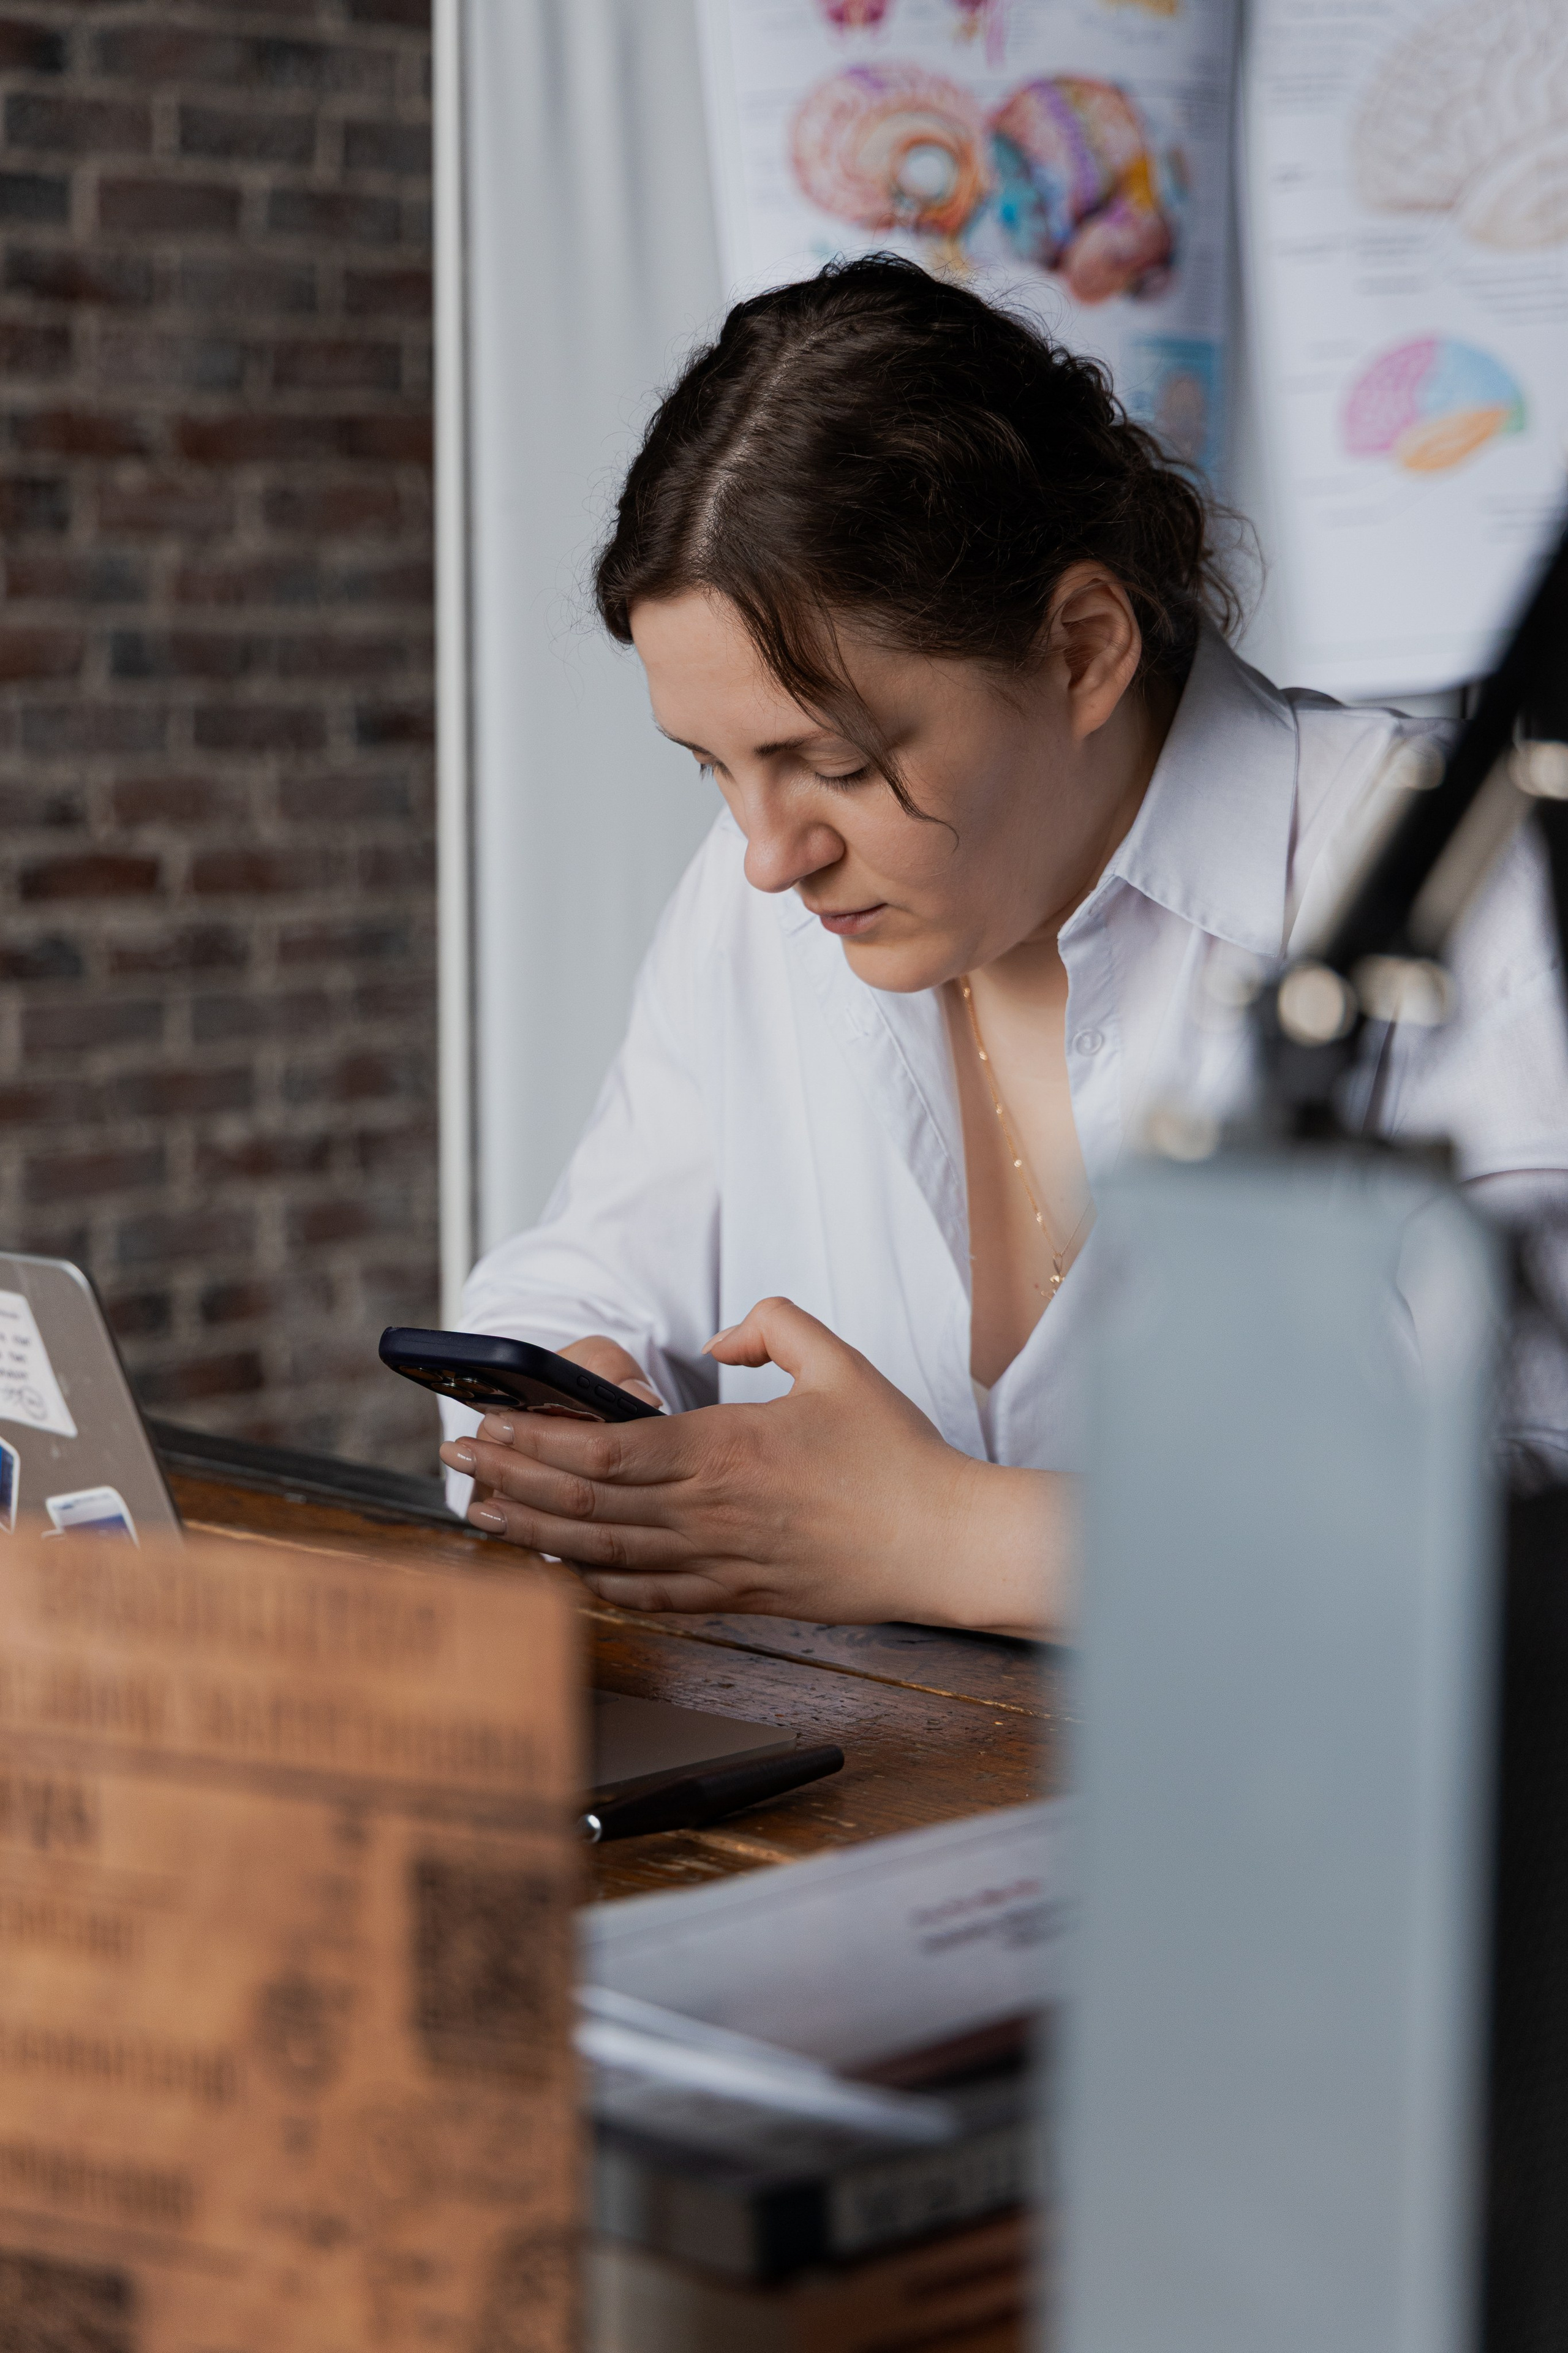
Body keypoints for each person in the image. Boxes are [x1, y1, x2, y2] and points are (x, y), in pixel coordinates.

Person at [438, 256, 1568, 1636]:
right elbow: (579, 1275)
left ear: (1085, 647)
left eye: (836, 763)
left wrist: (931, 1534)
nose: (765, 853)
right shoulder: (753, 902)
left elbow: (1534, 1519)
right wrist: (586, 1409)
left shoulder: (1459, 890)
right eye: (711, 769)